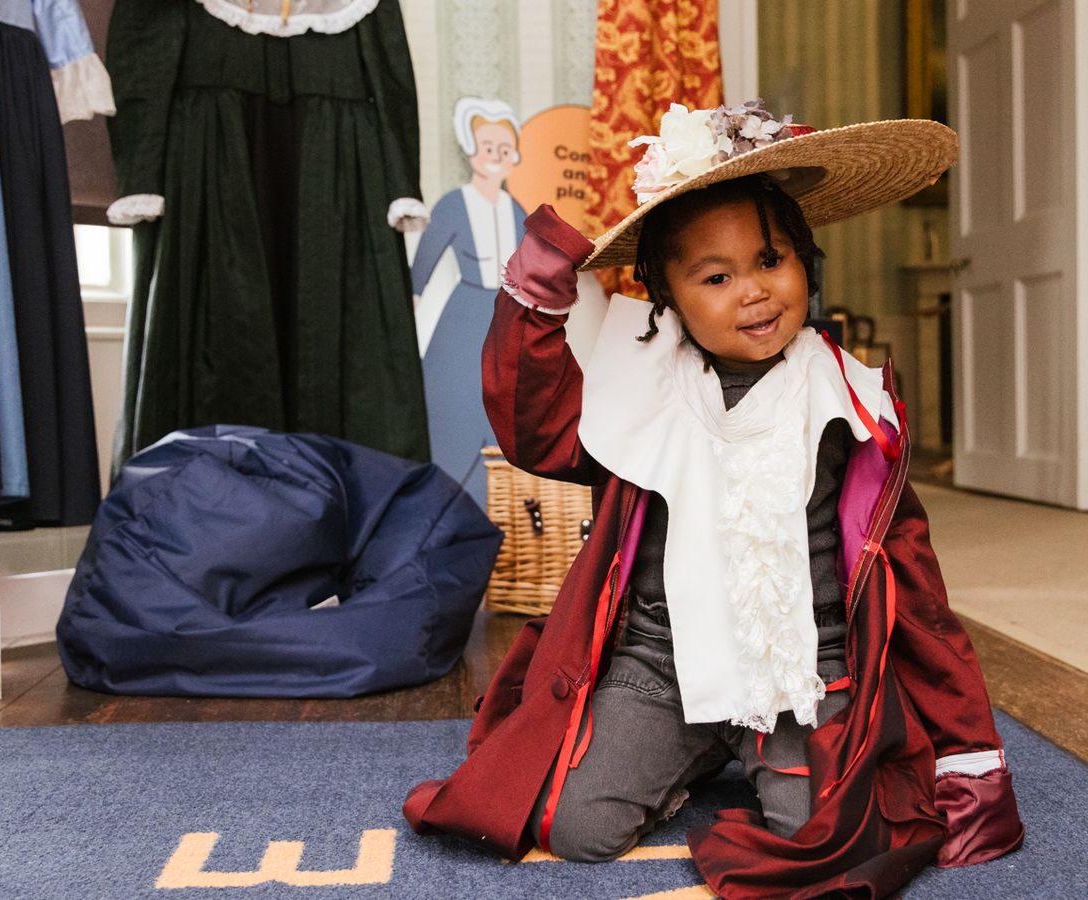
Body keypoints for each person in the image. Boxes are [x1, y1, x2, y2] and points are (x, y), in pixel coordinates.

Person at [402, 101, 1024, 897]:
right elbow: (537, 432)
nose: (754, 293)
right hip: (659, 662)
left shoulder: (849, 404)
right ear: (667, 296)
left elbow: (921, 596)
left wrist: (968, 750)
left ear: (807, 262)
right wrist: (540, 296)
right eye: (716, 277)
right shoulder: (642, 392)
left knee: (821, 838)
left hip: (805, 668)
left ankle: (765, 750)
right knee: (577, 828)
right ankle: (691, 750)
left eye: (772, 260)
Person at [412, 98, 529, 505]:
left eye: (503, 148)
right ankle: (444, 498)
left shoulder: (517, 211)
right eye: (487, 147)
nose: (494, 156)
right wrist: (411, 298)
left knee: (502, 404)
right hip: (464, 316)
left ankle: (494, 503)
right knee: (455, 398)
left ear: (512, 155)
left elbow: (531, 266)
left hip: (505, 314)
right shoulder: (453, 204)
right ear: (471, 150)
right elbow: (425, 260)